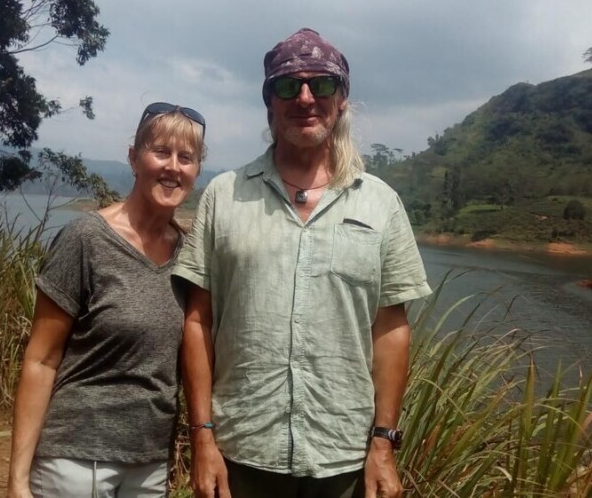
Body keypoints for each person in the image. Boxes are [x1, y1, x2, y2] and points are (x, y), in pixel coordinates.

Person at [173, 28, 431, 498]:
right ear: (269, 101)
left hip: (344, 456)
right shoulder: (224, 196)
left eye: (322, 84)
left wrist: (383, 444)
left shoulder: (380, 204)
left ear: (342, 99)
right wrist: (202, 437)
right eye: (288, 85)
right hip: (240, 450)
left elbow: (391, 329)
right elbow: (198, 321)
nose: (305, 98)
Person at [8, 102, 206, 498]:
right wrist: (17, 479)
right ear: (134, 158)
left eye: (186, 157)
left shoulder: (190, 255)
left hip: (150, 465)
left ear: (197, 170)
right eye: (161, 152)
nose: (173, 167)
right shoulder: (86, 239)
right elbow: (41, 359)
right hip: (75, 460)